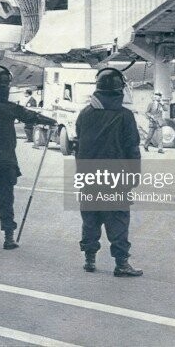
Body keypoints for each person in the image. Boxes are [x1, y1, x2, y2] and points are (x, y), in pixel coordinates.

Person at [0, 67, 56, 249]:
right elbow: (31, 116)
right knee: (6, 200)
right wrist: (51, 121)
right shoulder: (10, 108)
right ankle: (8, 237)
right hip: (5, 162)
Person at [75, 67, 143, 277]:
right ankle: (121, 264)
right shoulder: (125, 116)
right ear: (119, 90)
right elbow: (132, 148)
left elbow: (79, 145)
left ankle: (89, 260)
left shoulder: (85, 114)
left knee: (90, 219)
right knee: (118, 221)